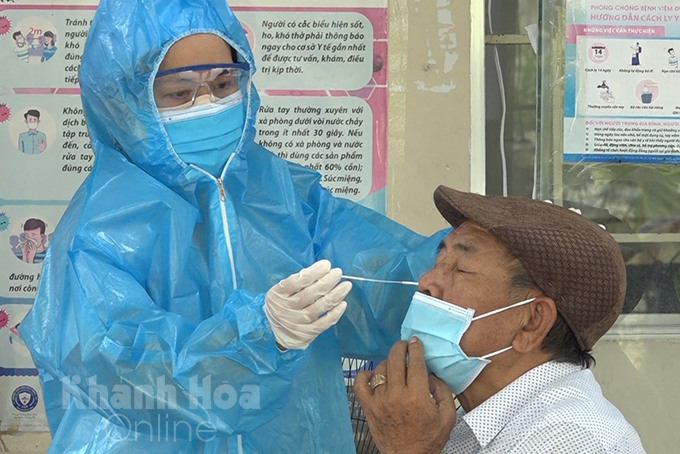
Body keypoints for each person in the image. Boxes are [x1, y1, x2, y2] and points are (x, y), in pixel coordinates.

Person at [19, 0, 444, 452]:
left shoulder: (281, 192)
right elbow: (125, 369)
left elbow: (383, 276)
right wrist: (260, 340)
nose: (209, 105)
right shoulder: (97, 230)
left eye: (224, 83)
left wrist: (459, 275)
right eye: (179, 94)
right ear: (124, 103)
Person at [356, 186, 646, 454]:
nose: (426, 281)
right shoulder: (470, 423)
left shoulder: (568, 436)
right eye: (438, 262)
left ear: (531, 322)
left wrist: (409, 448)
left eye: (461, 269)